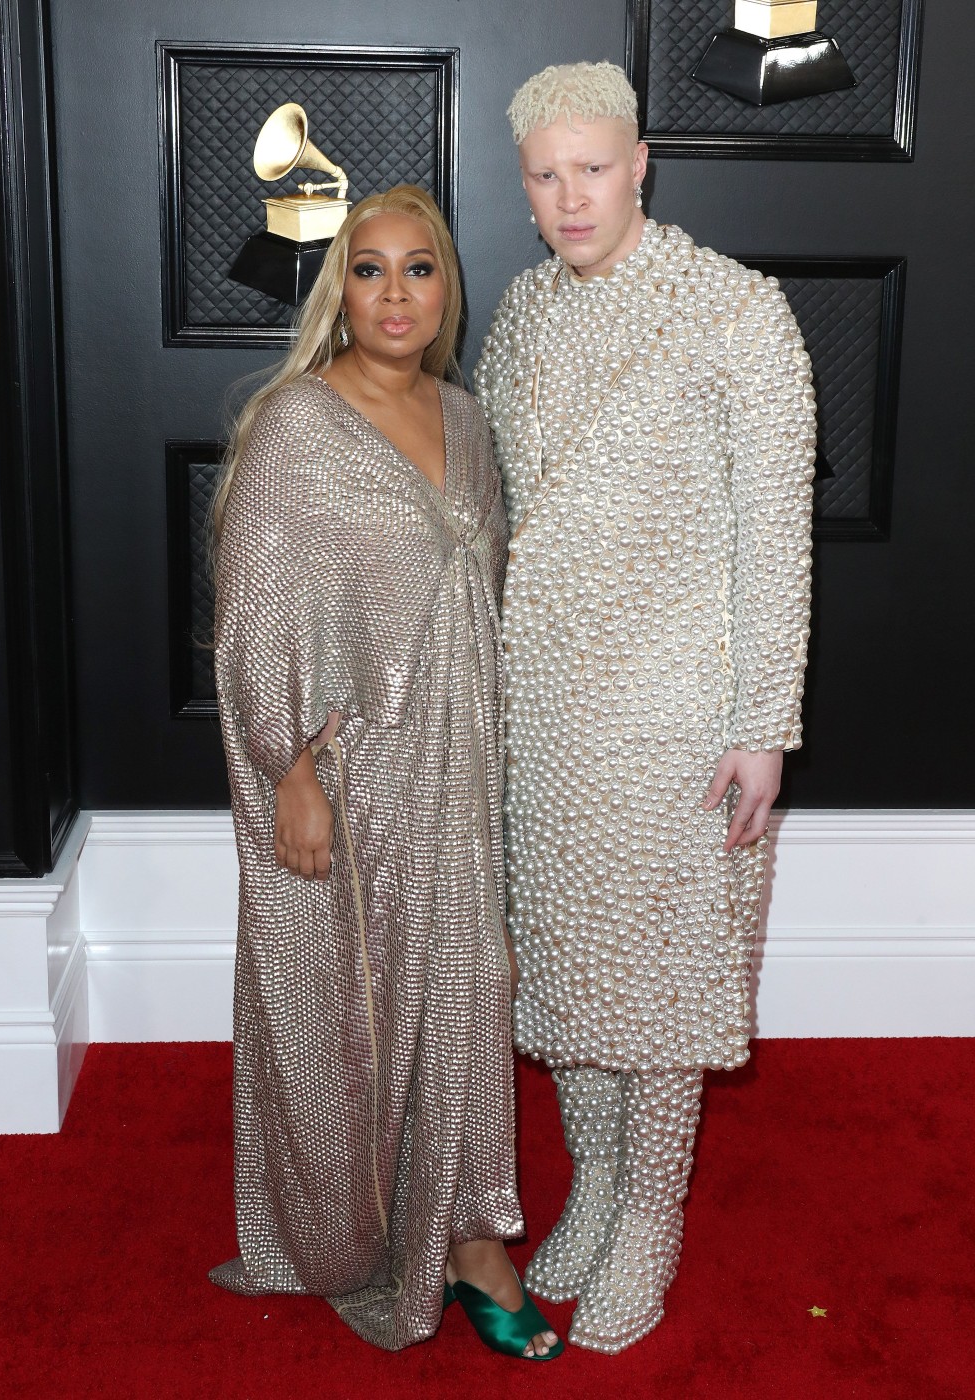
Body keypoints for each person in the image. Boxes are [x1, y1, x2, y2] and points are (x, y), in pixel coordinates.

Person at [475, 63, 815, 1353]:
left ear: (643, 160)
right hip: (542, 707)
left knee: (661, 985)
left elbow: (774, 539)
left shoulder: (736, 313)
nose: (570, 198)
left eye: (593, 168)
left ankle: (651, 1214)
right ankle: (598, 1177)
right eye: (545, 175)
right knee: (562, 970)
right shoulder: (516, 313)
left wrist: (760, 722)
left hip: (680, 712)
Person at [210, 185, 561, 1360]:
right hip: (352, 780)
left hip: (461, 772)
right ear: (338, 289)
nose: (396, 293)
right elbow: (256, 617)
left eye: (420, 269)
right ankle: (357, 1230)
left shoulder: (467, 419)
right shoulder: (298, 423)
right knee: (351, 1007)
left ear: (445, 286)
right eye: (369, 270)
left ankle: (468, 1235)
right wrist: (288, 770)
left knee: (466, 994)